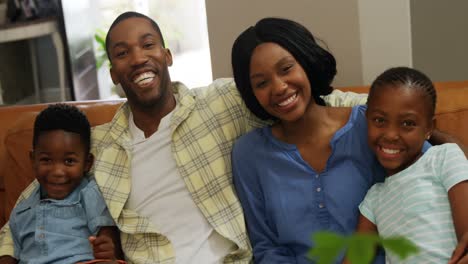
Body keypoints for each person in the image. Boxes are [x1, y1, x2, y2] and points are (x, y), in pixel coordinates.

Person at [0, 12, 377, 264]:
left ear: (166, 55)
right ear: (114, 73)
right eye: (123, 52)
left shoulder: (222, 102)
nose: (138, 58)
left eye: (148, 45)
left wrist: (420, 126)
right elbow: (36, 197)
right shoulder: (97, 146)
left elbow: (324, 103)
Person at [230, 17, 390, 263]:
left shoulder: (367, 125)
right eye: (262, 83)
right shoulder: (249, 153)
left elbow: (430, 173)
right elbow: (267, 247)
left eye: (286, 69)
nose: (279, 87)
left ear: (306, 63)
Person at [353, 67, 468, 263]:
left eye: (407, 124)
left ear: (429, 128)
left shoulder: (444, 157)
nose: (390, 134)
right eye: (380, 120)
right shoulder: (374, 198)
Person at [5, 104, 124, 264]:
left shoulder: (89, 193)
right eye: (46, 160)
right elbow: (13, 252)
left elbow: (107, 234)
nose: (57, 172)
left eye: (69, 161)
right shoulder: (21, 210)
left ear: (87, 163)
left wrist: (107, 247)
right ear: (33, 160)